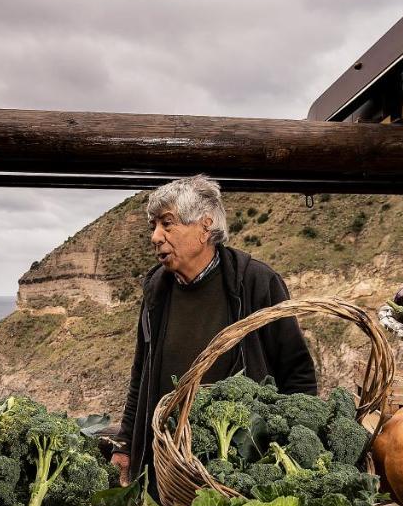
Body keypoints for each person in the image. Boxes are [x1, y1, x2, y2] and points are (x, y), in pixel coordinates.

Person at [112, 175, 317, 486]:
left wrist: (289, 454)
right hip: (166, 463)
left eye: (167, 224)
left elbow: (297, 373)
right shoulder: (156, 287)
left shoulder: (256, 283)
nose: (155, 236)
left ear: (205, 227)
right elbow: (141, 371)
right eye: (153, 226)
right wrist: (126, 442)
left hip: (238, 467)